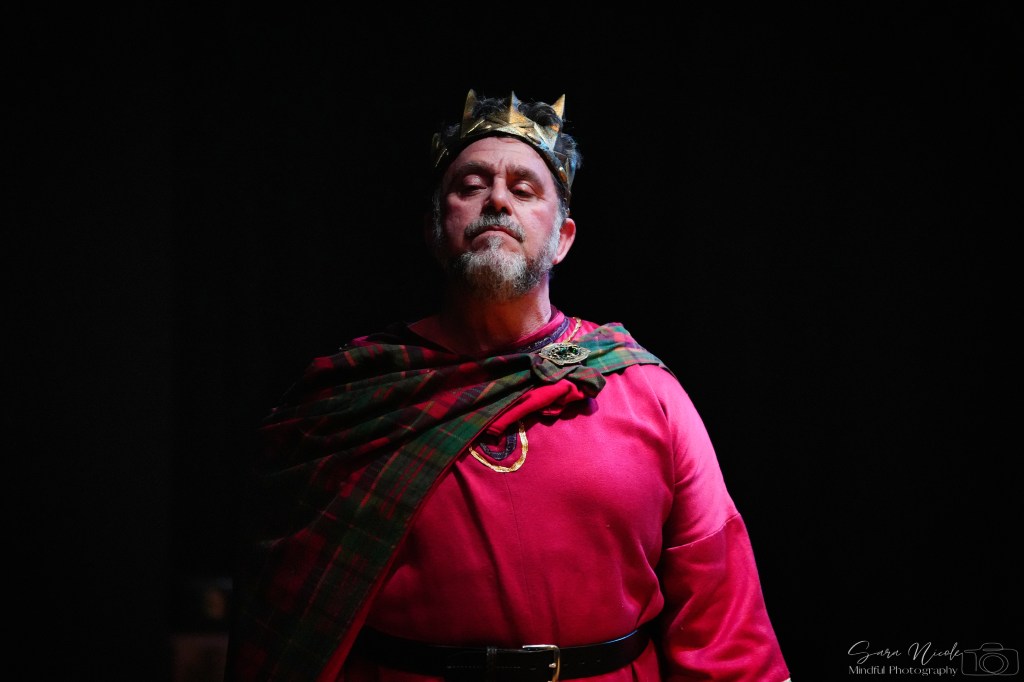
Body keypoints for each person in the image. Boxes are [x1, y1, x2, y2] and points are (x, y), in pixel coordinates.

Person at [225, 89, 791, 682]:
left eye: (524, 190)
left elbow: (724, 625)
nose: (496, 199)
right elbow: (287, 628)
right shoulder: (354, 398)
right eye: (471, 186)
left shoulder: (647, 392)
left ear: (563, 238)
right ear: (433, 229)